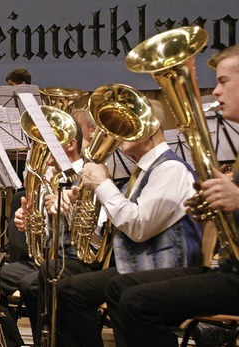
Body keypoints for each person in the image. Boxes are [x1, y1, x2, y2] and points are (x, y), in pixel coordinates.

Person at [103, 44, 239, 347]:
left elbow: (138, 228)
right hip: (229, 269)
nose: (215, 92)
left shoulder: (169, 169)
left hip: (233, 276)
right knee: (118, 289)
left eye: (223, 81)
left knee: (137, 302)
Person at [53, 101, 202, 347]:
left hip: (165, 270)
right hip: (138, 267)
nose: (118, 132)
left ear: (152, 126)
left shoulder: (171, 169)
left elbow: (138, 227)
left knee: (87, 291)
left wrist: (103, 185)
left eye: (127, 124)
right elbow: (111, 237)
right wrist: (77, 209)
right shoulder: (142, 172)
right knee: (67, 289)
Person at [0, 120, 92, 347]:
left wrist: (69, 207)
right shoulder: (49, 179)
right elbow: (45, 233)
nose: (42, 146)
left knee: (31, 285)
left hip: (75, 260)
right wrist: (29, 223)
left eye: (50, 141)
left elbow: (94, 234)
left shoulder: (88, 175)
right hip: (44, 259)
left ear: (70, 145)